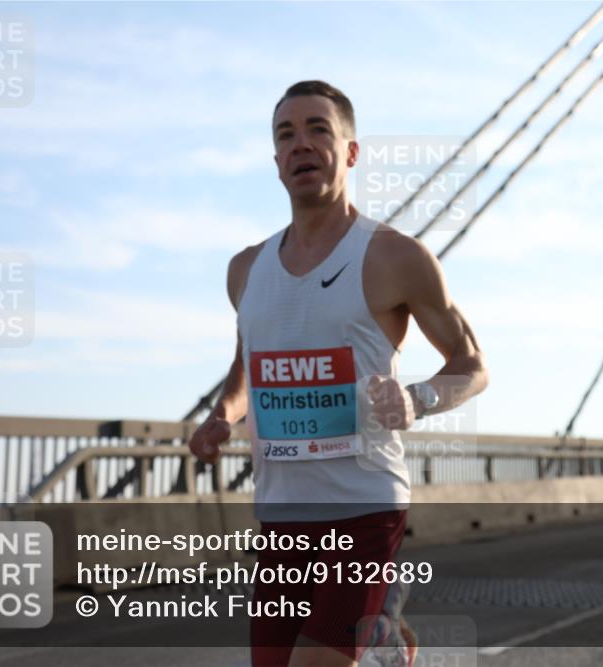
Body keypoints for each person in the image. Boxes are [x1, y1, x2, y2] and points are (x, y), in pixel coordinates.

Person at [188, 80, 488, 667]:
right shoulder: (245, 269)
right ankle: (381, 647)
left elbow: (472, 365)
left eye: (318, 130)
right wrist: (221, 416)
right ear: (275, 160)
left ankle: (372, 637)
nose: (301, 144)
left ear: (350, 151)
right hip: (281, 516)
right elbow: (246, 364)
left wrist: (417, 399)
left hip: (365, 507)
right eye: (286, 134)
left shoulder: (395, 257)